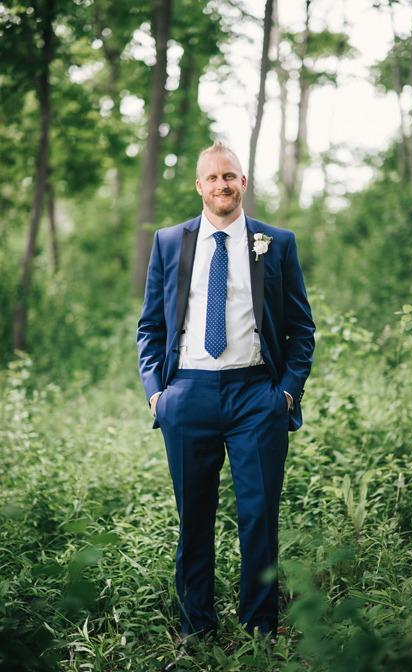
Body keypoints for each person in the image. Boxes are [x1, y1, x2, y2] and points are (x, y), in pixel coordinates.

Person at [136, 140, 315, 663]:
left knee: (259, 516)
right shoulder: (170, 242)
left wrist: (284, 392)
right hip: (188, 394)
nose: (223, 186)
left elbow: (302, 329)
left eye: (231, 176)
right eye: (213, 178)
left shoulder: (275, 242)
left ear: (243, 182)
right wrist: (157, 397)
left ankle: (259, 628)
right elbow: (150, 326)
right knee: (195, 517)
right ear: (199, 186)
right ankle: (197, 629)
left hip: (256, 395)